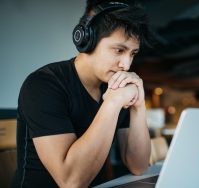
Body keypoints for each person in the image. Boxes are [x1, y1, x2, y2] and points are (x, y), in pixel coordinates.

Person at [11, 1, 154, 187]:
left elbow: (139, 166)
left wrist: (138, 106)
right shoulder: (43, 85)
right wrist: (111, 104)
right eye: (119, 50)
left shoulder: (115, 86)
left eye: (132, 54)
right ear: (87, 41)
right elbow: (71, 182)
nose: (126, 65)